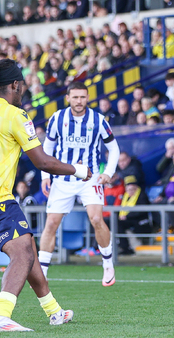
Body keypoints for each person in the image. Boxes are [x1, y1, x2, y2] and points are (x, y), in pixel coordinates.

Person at [0, 59, 89, 331]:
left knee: (28, 250)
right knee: (23, 256)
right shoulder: (15, 115)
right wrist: (78, 170)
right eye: (22, 86)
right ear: (15, 84)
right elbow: (42, 162)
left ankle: (54, 311)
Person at [39, 82, 120, 287]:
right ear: (68, 98)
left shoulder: (99, 120)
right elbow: (47, 147)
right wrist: (44, 175)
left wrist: (107, 173)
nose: (79, 101)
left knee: (95, 218)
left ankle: (108, 264)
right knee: (51, 224)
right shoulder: (58, 118)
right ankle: (42, 273)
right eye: (75, 97)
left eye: (82, 97)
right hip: (63, 178)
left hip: (90, 178)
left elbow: (115, 150)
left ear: (88, 97)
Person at [114, 175, 152, 255]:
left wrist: (127, 216)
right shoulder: (125, 196)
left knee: (119, 224)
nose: (130, 191)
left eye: (132, 189)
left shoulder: (142, 196)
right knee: (115, 222)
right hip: (129, 220)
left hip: (139, 221)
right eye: (128, 189)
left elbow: (141, 211)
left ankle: (125, 247)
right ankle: (123, 247)